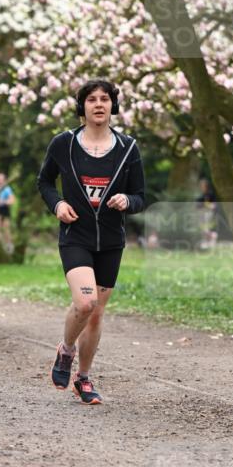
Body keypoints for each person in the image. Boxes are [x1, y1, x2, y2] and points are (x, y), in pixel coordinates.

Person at [37, 78, 145, 404]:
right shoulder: (64, 144)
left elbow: (141, 196)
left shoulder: (128, 148)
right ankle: (66, 349)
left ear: (113, 105)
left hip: (111, 240)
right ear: (82, 106)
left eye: (105, 99)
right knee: (86, 303)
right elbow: (44, 182)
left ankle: (83, 378)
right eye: (92, 99)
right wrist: (57, 204)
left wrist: (127, 200)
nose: (99, 104)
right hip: (76, 236)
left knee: (96, 315)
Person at [0, 171, 15, 251]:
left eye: (1, 179)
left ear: (4, 180)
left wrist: (2, 201)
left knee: (6, 229)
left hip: (4, 209)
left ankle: (9, 245)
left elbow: (12, 200)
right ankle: (0, 246)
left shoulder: (7, 189)